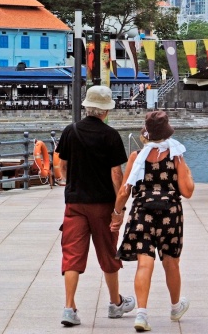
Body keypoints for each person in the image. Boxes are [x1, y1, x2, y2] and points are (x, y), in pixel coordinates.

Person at [55, 85, 135, 327]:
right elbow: (116, 174)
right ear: (105, 111)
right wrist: (118, 209)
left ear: (88, 107)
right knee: (108, 252)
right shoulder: (110, 136)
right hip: (102, 204)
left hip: (75, 204)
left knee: (72, 255)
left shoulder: (71, 131)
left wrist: (70, 183)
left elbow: (60, 165)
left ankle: (69, 308)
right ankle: (115, 303)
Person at [113, 111, 195, 332]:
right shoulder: (175, 155)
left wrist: (117, 214)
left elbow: (123, 191)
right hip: (170, 213)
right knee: (171, 262)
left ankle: (141, 314)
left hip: (142, 212)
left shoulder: (136, 157)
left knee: (144, 262)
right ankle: (176, 307)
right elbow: (187, 191)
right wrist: (184, 168)